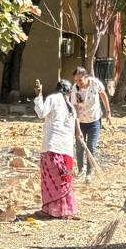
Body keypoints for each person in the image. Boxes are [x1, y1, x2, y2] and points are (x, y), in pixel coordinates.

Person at [32, 79, 78, 220]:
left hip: (52, 146)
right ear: (69, 92)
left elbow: (41, 113)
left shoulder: (53, 98)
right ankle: (66, 210)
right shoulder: (71, 107)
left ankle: (51, 211)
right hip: (66, 148)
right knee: (64, 179)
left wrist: (39, 95)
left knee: (50, 180)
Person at [71, 67, 111, 181]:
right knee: (79, 147)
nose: (78, 83)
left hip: (94, 120)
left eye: (80, 80)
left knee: (91, 146)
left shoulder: (95, 83)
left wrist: (108, 112)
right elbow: (75, 109)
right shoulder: (75, 89)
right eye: (76, 81)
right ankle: (81, 170)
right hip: (81, 122)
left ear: (86, 77)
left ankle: (89, 172)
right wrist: (77, 129)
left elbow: (103, 95)